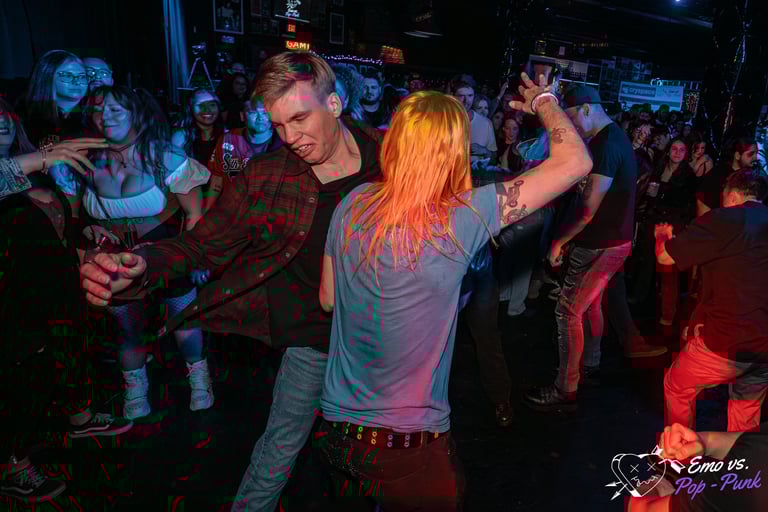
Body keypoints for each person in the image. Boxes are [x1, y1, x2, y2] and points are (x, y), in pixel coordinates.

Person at [79, 51, 384, 512]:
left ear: (335, 103)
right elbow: (201, 246)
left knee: (376, 456)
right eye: (279, 125)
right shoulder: (266, 176)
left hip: (381, 336)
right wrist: (142, 264)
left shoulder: (391, 157)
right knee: (278, 451)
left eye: (300, 119)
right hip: (313, 338)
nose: (290, 138)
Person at [316, 76, 591, 509]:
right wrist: (544, 100)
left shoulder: (353, 202)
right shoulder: (462, 217)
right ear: (454, 152)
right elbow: (575, 161)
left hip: (336, 432)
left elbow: (328, 299)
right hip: (406, 446)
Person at [0, 100, 129, 504]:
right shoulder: (24, 168)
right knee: (20, 379)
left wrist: (83, 233)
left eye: (5, 114)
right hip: (12, 298)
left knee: (60, 358)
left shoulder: (34, 171)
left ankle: (78, 417)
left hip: (53, 287)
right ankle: (13, 465)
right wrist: (42, 158)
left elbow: (51, 223)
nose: (1, 120)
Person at [58, 86, 212, 421]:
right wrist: (86, 230)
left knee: (184, 322)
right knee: (128, 332)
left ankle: (200, 381)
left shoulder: (167, 157)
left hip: (167, 257)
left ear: (136, 114)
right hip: (116, 264)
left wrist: (191, 260)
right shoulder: (82, 162)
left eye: (116, 110)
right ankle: (135, 390)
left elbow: (195, 216)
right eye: (99, 110)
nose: (106, 117)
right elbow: (69, 219)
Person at [525, 85, 637, 411]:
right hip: (613, 240)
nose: (571, 127)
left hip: (601, 244)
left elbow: (588, 210)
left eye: (572, 118)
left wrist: (559, 241)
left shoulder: (606, 145)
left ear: (587, 109)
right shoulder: (611, 138)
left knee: (567, 310)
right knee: (590, 304)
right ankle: (591, 362)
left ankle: (566, 387)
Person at [656, 169, 768, 432]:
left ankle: (679, 452)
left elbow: (665, 258)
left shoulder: (725, 218)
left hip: (728, 343)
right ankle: (738, 457)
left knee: (677, 384)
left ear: (732, 196)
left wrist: (662, 236)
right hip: (764, 348)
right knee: (745, 412)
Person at [628, 422, 768, 512]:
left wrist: (654, 485)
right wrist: (705, 442)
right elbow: (755, 444)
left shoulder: (742, 486)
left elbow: (642, 509)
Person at [206, 97, 281, 211]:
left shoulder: (283, 143)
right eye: (253, 113)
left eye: (265, 113)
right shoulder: (228, 139)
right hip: (232, 210)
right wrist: (206, 212)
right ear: (242, 116)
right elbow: (217, 178)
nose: (260, 118)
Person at [22, 49, 89, 147]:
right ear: (47, 77)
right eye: (67, 76)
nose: (76, 82)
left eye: (82, 77)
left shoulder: (94, 115)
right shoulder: (26, 119)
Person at [696, 137, 758, 216]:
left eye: (756, 154)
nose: (755, 158)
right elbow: (702, 202)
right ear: (737, 155)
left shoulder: (752, 176)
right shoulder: (718, 174)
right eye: (751, 154)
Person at [172, 88, 226, 167]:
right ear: (191, 109)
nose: (207, 110)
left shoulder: (227, 135)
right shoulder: (181, 137)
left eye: (212, 105)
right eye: (201, 105)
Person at [451, 75, 497, 166]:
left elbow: (494, 158)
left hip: (477, 174)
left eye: (470, 95)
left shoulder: (486, 123)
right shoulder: (443, 121)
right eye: (461, 96)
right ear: (453, 96)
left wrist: (485, 151)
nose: (466, 100)